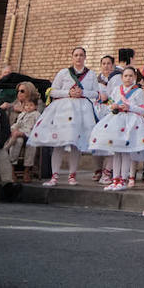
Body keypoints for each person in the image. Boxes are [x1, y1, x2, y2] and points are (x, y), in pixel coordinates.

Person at [27, 47, 99, 186]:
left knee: (76, 144)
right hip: (63, 111)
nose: (78, 58)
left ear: (85, 57)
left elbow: (96, 93)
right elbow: (52, 92)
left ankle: (72, 175)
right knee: (58, 143)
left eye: (81, 55)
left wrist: (82, 93)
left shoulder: (91, 74)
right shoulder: (63, 73)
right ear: (72, 57)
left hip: (81, 113)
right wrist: (69, 93)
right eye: (76, 55)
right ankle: (54, 176)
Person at [89, 66, 144, 190]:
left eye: (130, 76)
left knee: (125, 152)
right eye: (125, 76)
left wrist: (129, 107)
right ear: (122, 77)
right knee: (116, 152)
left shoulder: (138, 91)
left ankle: (123, 180)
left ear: (134, 77)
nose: (128, 78)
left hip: (130, 123)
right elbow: (109, 105)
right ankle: (115, 179)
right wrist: (113, 106)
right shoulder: (116, 89)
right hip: (117, 121)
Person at [4, 88, 40, 181]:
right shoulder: (22, 114)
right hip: (19, 132)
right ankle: (12, 167)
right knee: (18, 141)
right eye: (26, 105)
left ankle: (27, 170)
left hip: (30, 134)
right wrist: (12, 129)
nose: (28, 107)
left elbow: (38, 126)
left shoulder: (36, 114)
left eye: (31, 105)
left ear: (35, 106)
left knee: (31, 144)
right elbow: (17, 124)